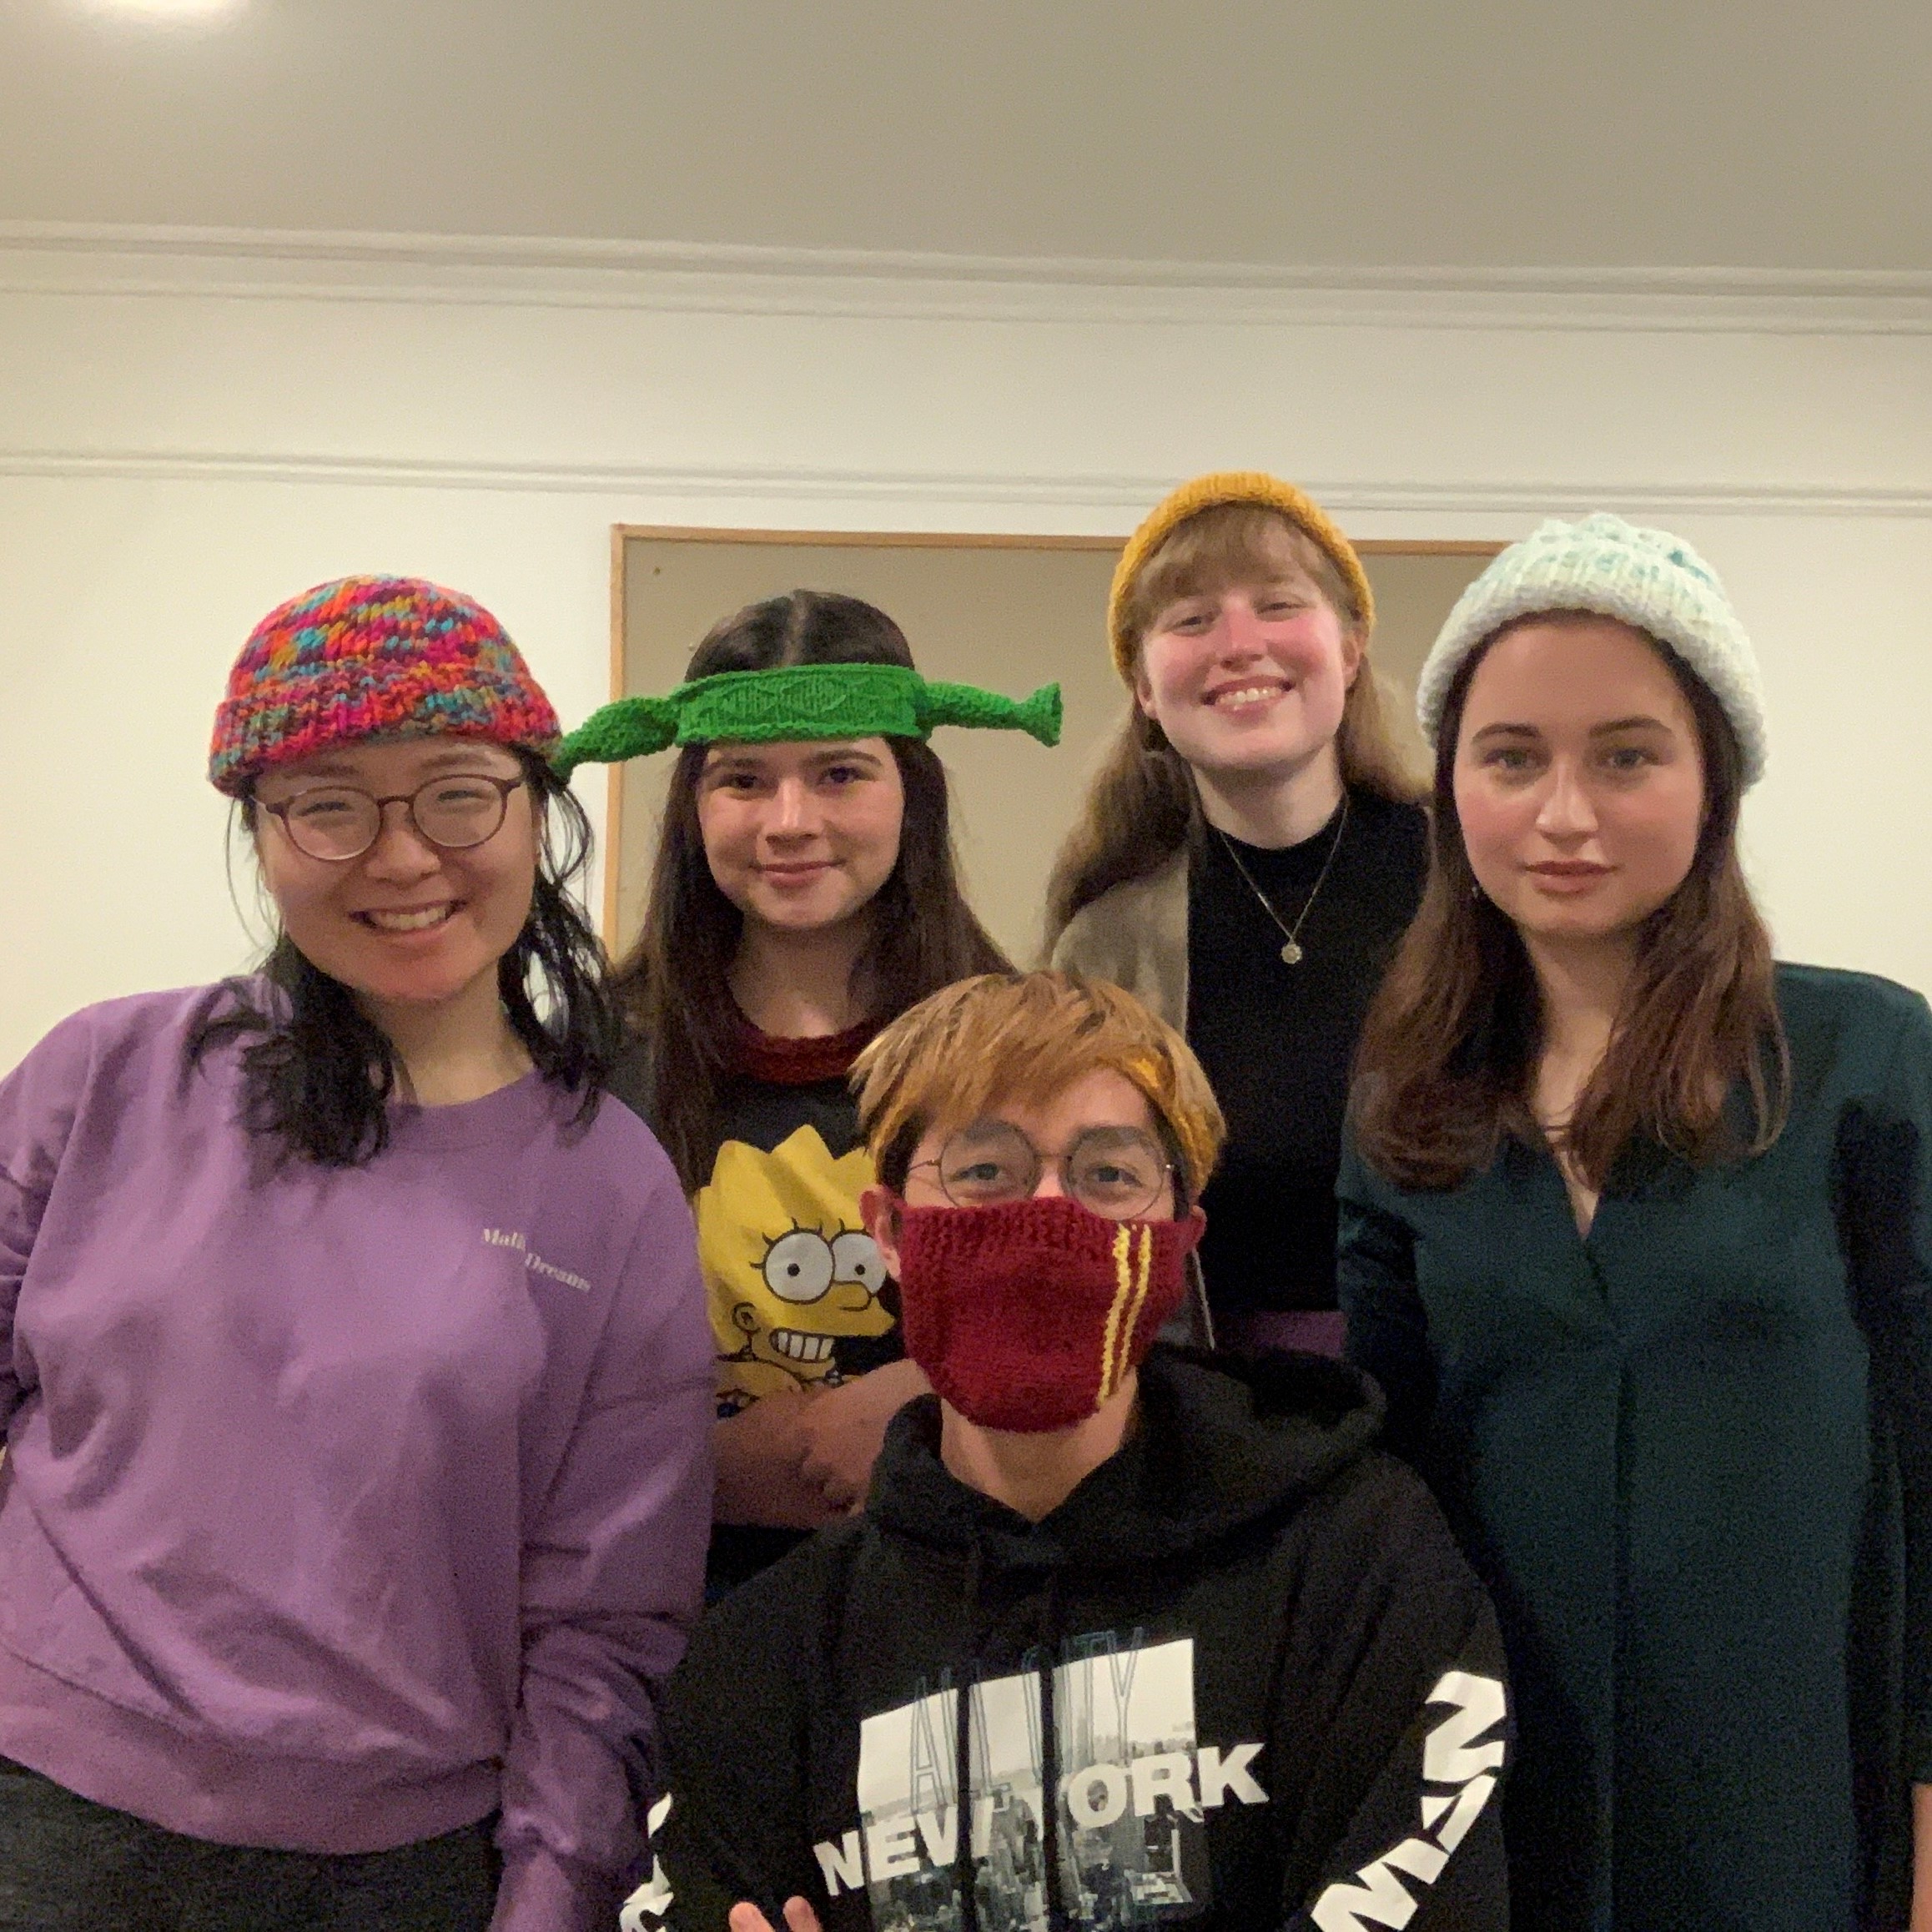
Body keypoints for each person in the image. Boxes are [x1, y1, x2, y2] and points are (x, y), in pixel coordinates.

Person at [0, 577, 716, 1932]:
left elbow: (607, 1621)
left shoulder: (609, 1187)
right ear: (259, 831)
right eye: (328, 804)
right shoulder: (103, 1079)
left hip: (401, 1876)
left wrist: (553, 1893)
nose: (400, 858)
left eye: (458, 794)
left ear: (538, 807)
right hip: (42, 1822)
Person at [624, 971, 1512, 1932]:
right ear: (890, 1232)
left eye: (1109, 1177)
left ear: (1179, 1241)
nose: (1047, 1220)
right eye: (984, 1171)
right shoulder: (765, 1662)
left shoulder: (1355, 1562)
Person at [1338, 515, 1932, 1931]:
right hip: (1501, 1815)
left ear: (1713, 779)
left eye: (1625, 755)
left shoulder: (1864, 1060)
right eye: (1511, 757)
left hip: (1793, 1804)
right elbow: (1385, 1498)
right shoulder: (1403, 1105)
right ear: (1451, 786)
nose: (1564, 814)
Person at [554, 592, 1060, 1592]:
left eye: (840, 774)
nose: (791, 823)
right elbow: (526, 1364)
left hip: (959, 1604)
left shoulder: (1027, 1056)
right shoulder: (586, 1064)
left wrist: (934, 1404)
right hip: (665, 1618)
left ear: (911, 791)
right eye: (744, 780)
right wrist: (694, 1470)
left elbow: (1129, 1327)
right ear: (694, 805)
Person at [1048, 472, 1427, 1353]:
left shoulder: (1477, 885)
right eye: (1191, 620)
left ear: (1351, 650)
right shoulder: (1104, 947)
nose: (1240, 645)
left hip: (1475, 1397)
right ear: (1145, 689)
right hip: (1213, 1411)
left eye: (1279, 604)